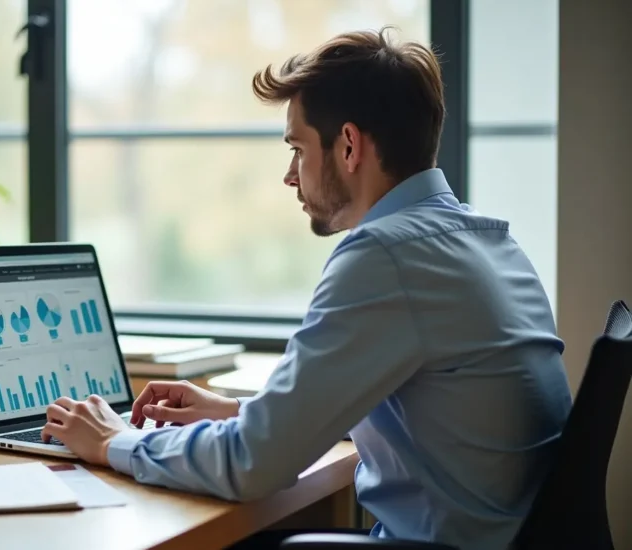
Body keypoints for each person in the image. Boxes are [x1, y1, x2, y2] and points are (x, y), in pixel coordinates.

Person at [40, 28, 573, 549]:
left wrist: (113, 441)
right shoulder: (488, 242)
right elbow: (420, 408)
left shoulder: (385, 256)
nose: (290, 176)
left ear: (348, 146)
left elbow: (253, 465)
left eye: (297, 148)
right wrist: (238, 411)